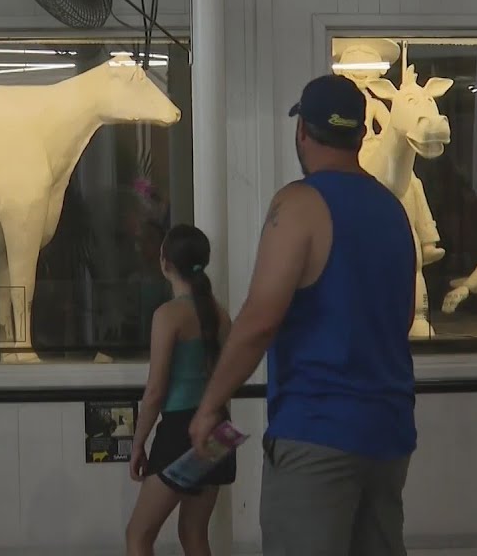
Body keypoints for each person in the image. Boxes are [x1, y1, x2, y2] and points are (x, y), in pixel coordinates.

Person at [189, 74, 418, 555]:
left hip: (317, 434)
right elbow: (400, 318)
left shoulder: (298, 204)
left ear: (302, 132)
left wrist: (211, 405)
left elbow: (259, 320)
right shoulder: (392, 210)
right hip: (389, 434)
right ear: (360, 135)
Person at [125, 224, 234, 556]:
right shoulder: (221, 316)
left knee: (138, 535)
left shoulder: (168, 315)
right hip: (219, 430)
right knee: (194, 533)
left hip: (180, 432)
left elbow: (156, 390)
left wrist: (138, 443)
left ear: (164, 262)